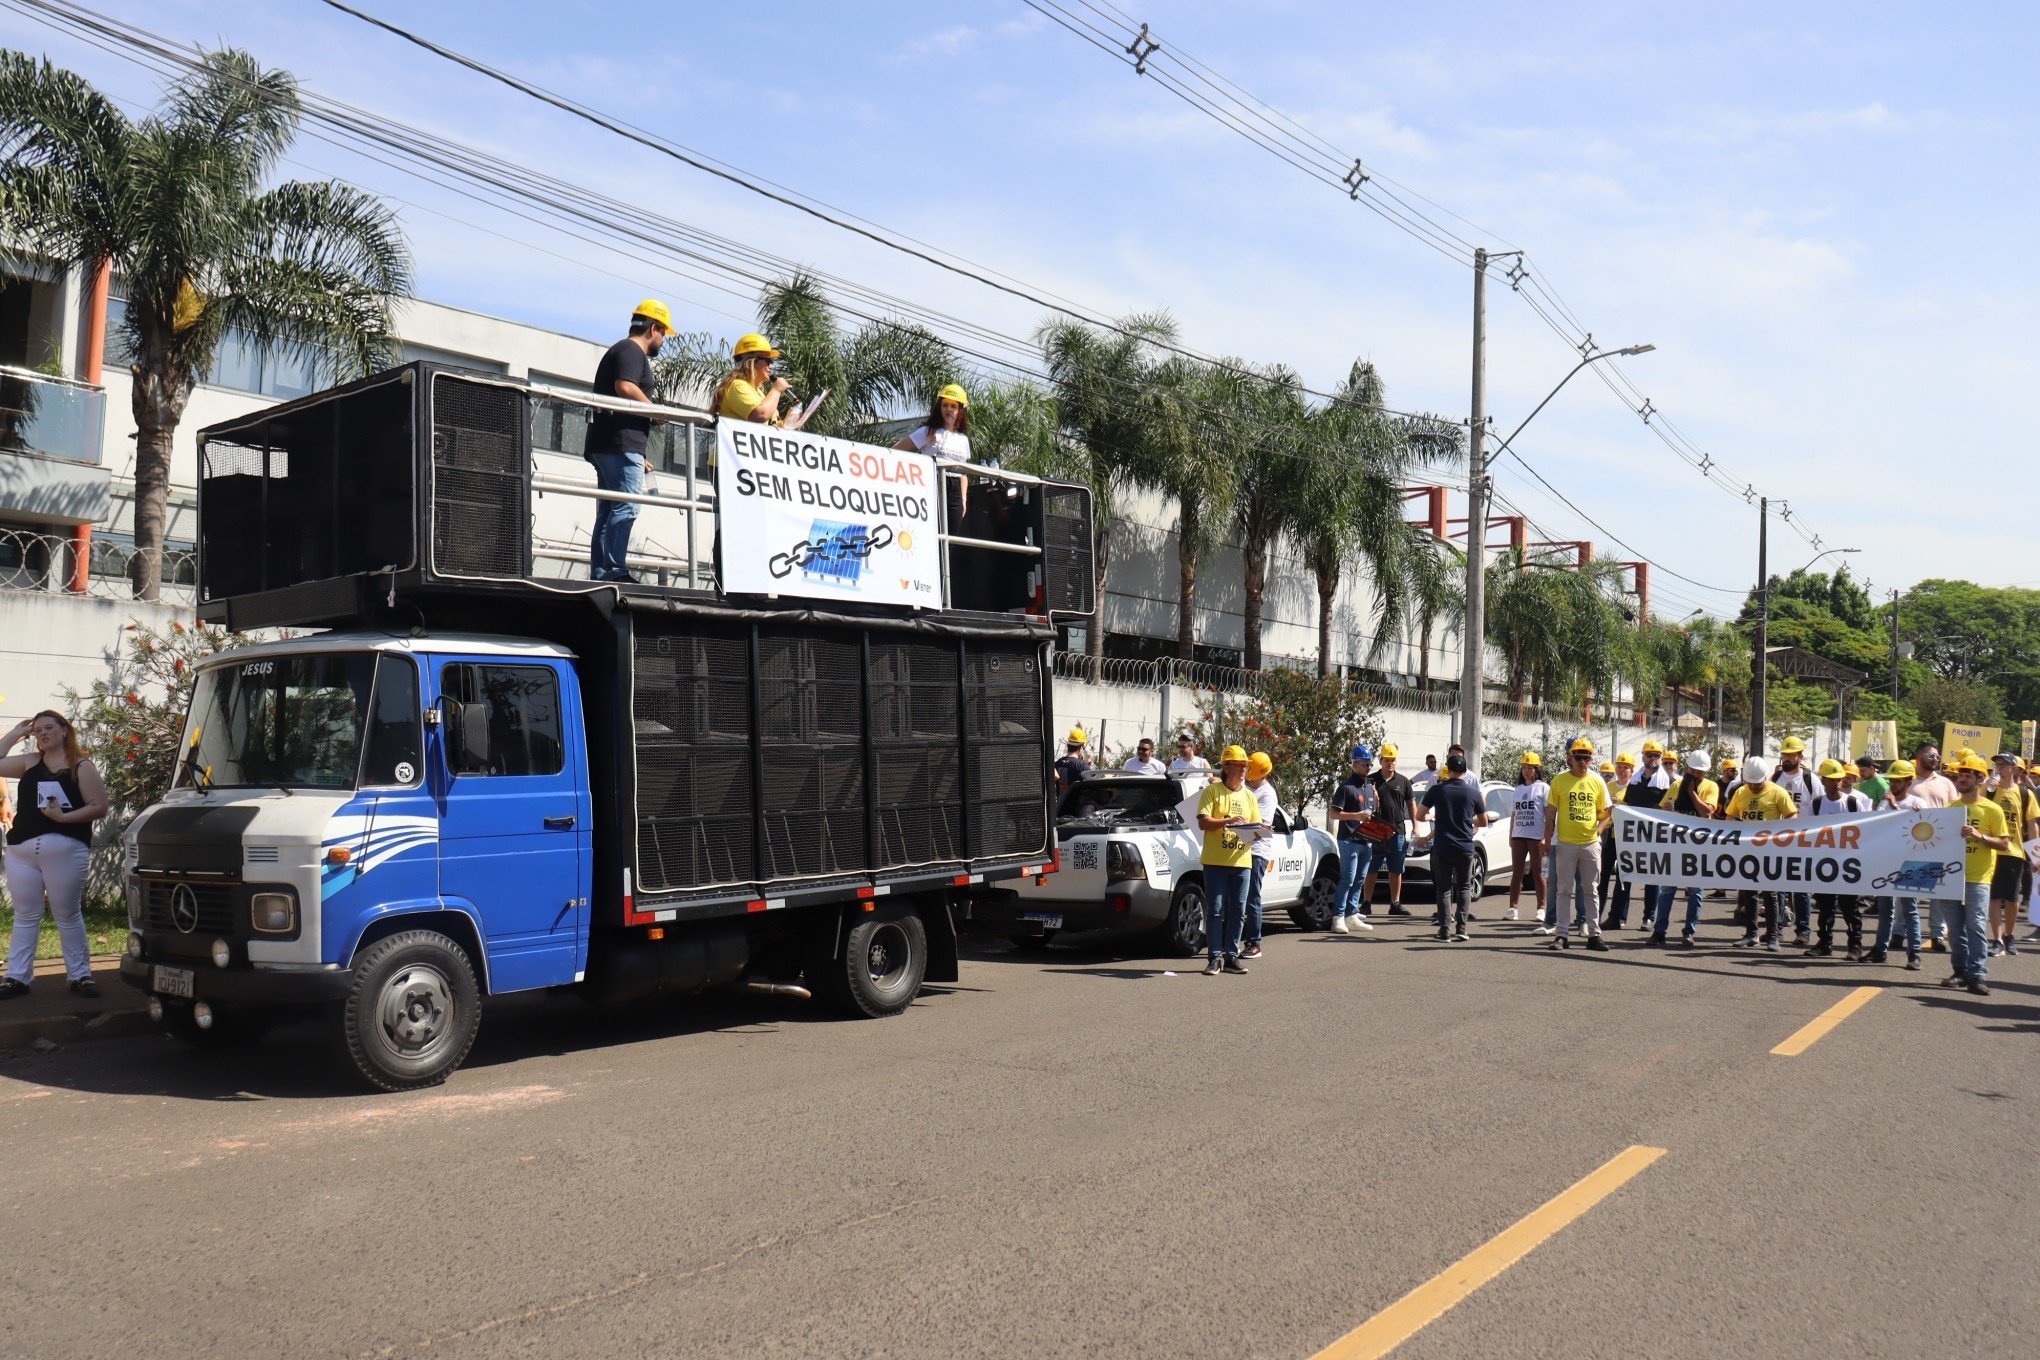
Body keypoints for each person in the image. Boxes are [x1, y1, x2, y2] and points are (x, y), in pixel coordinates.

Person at [1, 710, 108, 1000]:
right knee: (25, 915)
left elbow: (99, 807)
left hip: (66, 848)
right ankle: (16, 977)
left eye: (48, 728)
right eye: (37, 730)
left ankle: (80, 975)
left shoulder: (81, 766)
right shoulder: (30, 762)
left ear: (64, 731)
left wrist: (63, 818)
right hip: (22, 850)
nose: (42, 734)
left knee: (67, 914)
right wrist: (13, 735)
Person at [587, 299, 676, 583]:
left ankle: (602, 571)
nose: (663, 341)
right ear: (654, 328)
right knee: (626, 506)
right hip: (620, 444)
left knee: (610, 509)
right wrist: (654, 411)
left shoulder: (619, 350)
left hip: (610, 443)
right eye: (663, 334)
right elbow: (624, 386)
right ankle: (615, 571)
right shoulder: (631, 351)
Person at [1948, 751, 2010, 996]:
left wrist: (1979, 836)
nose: (1961, 779)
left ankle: (1977, 975)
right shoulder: (1951, 808)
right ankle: (1959, 971)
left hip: (1978, 878)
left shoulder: (1992, 809)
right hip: (1951, 878)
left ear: (1980, 779)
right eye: (1960, 775)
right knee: (1954, 929)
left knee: (1974, 927)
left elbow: (2004, 844)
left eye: (1967, 775)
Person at [1542, 737, 1611, 951]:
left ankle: (1594, 934)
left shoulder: (1597, 781)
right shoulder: (1560, 781)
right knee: (1563, 890)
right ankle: (1562, 935)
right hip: (1565, 844)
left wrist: (1599, 831)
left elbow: (1607, 811)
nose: (1583, 761)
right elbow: (1551, 814)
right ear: (1570, 757)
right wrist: (1546, 840)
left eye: (1587, 757)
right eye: (1579, 757)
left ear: (1591, 759)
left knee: (1590, 889)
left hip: (1590, 844)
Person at [1195, 746, 1259, 976]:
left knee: (1238, 911)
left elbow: (1256, 828)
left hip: (1242, 861)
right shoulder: (1212, 791)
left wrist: (1256, 832)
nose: (1244, 770)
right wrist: (1227, 821)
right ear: (1226, 767)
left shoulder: (1249, 795)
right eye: (1239, 765)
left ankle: (1232, 956)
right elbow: (1203, 822)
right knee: (1215, 911)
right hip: (1215, 862)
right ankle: (1214, 958)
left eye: (1245, 766)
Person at [1724, 757, 1799, 950]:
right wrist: (1737, 825)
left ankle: (1773, 936)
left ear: (1765, 777)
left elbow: (1793, 816)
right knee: (1749, 894)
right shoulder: (1740, 792)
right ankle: (1751, 934)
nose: (1754, 787)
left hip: (1770, 851)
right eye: (1750, 783)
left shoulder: (1777, 792)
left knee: (1770, 894)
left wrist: (1779, 832)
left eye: (1757, 783)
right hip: (1748, 851)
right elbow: (1730, 816)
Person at [1649, 751, 1719, 946]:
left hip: (1699, 846)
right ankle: (1659, 931)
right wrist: (1668, 809)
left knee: (1695, 891)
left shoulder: (1710, 786)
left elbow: (1707, 811)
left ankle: (1689, 931)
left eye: (1700, 772)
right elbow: (1664, 809)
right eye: (1693, 771)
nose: (1695, 775)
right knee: (1667, 890)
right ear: (1687, 768)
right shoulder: (1675, 785)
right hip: (1676, 845)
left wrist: (1691, 793)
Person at [1803, 759, 1871, 959]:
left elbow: (1866, 829)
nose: (1836, 783)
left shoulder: (1852, 803)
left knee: (1849, 907)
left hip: (1848, 864)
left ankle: (1855, 946)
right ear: (1823, 780)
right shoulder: (1815, 804)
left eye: (1838, 779)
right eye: (1831, 779)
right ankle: (1824, 943)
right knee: (1825, 907)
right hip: (1824, 865)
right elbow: (1805, 833)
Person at [1418, 750, 1488, 941]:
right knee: (1464, 886)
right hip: (1465, 846)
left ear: (1448, 771)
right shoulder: (1472, 792)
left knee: (1444, 888)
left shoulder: (1437, 790)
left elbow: (1419, 815)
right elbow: (1483, 821)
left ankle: (1444, 931)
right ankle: (1462, 929)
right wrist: (1468, 820)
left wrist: (1433, 816)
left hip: (1442, 846)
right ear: (1465, 772)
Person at [1607, 740, 1672, 930]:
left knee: (1651, 877)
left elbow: (1665, 809)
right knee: (1624, 875)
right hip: (1633, 835)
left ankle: (1649, 917)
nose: (1652, 759)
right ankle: (1617, 917)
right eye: (1649, 755)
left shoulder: (1667, 782)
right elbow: (1628, 805)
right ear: (1643, 756)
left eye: (1656, 756)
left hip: (1654, 836)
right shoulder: (1635, 779)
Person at [1867, 758, 1925, 970]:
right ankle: (1880, 949)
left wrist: (1893, 806)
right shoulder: (1884, 802)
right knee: (1885, 908)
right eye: (1892, 780)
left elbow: (1916, 828)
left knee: (1909, 908)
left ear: (1908, 783)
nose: (1893, 784)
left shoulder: (1918, 803)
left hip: (1911, 861)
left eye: (1898, 781)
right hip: (1886, 858)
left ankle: (1915, 952)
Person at [894, 383, 974, 520]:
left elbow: (963, 474)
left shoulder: (963, 439)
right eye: (945, 405)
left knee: (952, 536)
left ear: (961, 410)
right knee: (934, 530)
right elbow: (895, 449)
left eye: (953, 406)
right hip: (934, 483)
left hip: (955, 489)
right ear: (939, 408)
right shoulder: (928, 432)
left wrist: (964, 498)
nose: (948, 409)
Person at [1986, 752, 2037, 957]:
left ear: (2014, 768)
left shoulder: (2025, 793)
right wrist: (1986, 787)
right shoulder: (1989, 790)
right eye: (1997, 763)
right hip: (1990, 848)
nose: (1999, 767)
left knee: (2012, 898)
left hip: (2014, 850)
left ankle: (2009, 934)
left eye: (2003, 764)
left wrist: (2036, 855)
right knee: (1995, 896)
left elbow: (2032, 826)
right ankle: (1997, 939)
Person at [1326, 745, 1379, 934]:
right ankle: (1338, 917)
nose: (1368, 767)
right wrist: (1356, 816)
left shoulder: (1369, 786)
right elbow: (1334, 813)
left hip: (1367, 839)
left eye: (1370, 764)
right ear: (1354, 764)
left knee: (1360, 879)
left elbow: (1372, 812)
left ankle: (1351, 914)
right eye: (1365, 764)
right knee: (1347, 879)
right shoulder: (1345, 787)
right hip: (1349, 839)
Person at [713, 331, 809, 430]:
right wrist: (776, 390)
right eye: (768, 361)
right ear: (751, 361)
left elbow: (771, 428)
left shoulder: (759, 393)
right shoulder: (737, 386)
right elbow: (760, 415)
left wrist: (789, 422)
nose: (771, 366)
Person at [1363, 743, 1416, 916]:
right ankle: (1366, 902)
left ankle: (1395, 903)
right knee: (1371, 868)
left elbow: (1411, 803)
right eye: (1387, 760)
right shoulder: (1370, 780)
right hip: (1376, 832)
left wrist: (1415, 826)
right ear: (1381, 760)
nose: (1390, 763)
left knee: (1396, 869)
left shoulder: (1403, 781)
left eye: (1393, 760)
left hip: (1397, 832)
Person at [1771, 736, 1815, 944]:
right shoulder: (1776, 778)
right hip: (1779, 840)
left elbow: (1819, 808)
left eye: (1791, 754)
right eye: (1784, 754)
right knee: (1778, 887)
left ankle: (1803, 931)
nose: (1787, 758)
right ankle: (1777, 929)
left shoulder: (1809, 779)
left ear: (1800, 756)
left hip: (1803, 840)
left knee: (1801, 889)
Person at [1241, 753, 1280, 959]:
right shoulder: (1246, 788)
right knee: (1237, 898)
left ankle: (1254, 943)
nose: (1248, 776)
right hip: (1239, 849)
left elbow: (1260, 826)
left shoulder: (1267, 794)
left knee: (1252, 898)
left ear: (1263, 773)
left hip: (1257, 851)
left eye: (1252, 773)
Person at [1593, 752, 1635, 931]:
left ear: (1632, 771)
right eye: (1619, 767)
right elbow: (1602, 809)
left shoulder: (1635, 787)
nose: (1622, 770)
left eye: (1626, 767)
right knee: (1601, 879)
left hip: (1628, 839)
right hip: (1609, 838)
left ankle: (1617, 917)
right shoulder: (1608, 787)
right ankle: (1596, 915)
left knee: (1623, 880)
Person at [1505, 753, 1548, 923]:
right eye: (1524, 767)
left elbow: (1548, 814)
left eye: (1530, 767)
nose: (1526, 770)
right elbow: (1514, 814)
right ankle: (1512, 908)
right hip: (1518, 836)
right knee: (1517, 872)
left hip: (1537, 837)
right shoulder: (1517, 790)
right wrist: (1510, 835)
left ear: (1537, 769)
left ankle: (1541, 908)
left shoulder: (1543, 788)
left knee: (1539, 873)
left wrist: (1547, 837)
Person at [1906, 743, 1956, 808]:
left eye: (1937, 757)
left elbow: (1955, 810)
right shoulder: (1905, 782)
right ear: (1918, 757)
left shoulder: (1946, 783)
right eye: (1931, 756)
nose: (1935, 760)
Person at [1052, 728, 1091, 795]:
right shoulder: (1082, 766)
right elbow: (1090, 787)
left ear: (1068, 746)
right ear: (1081, 748)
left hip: (1060, 804)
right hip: (1076, 805)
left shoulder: (1057, 763)